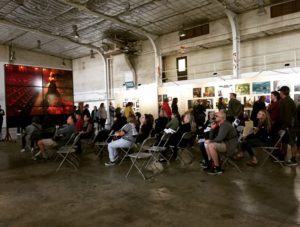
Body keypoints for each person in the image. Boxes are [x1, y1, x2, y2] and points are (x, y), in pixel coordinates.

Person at [278, 86, 298, 166]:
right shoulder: (288, 100)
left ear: (282, 92)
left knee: (292, 142)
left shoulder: (286, 101)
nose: (279, 93)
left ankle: (293, 160)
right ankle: (291, 158)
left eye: (280, 92)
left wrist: (286, 125)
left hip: (290, 126)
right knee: (290, 142)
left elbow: (287, 115)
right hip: (290, 125)